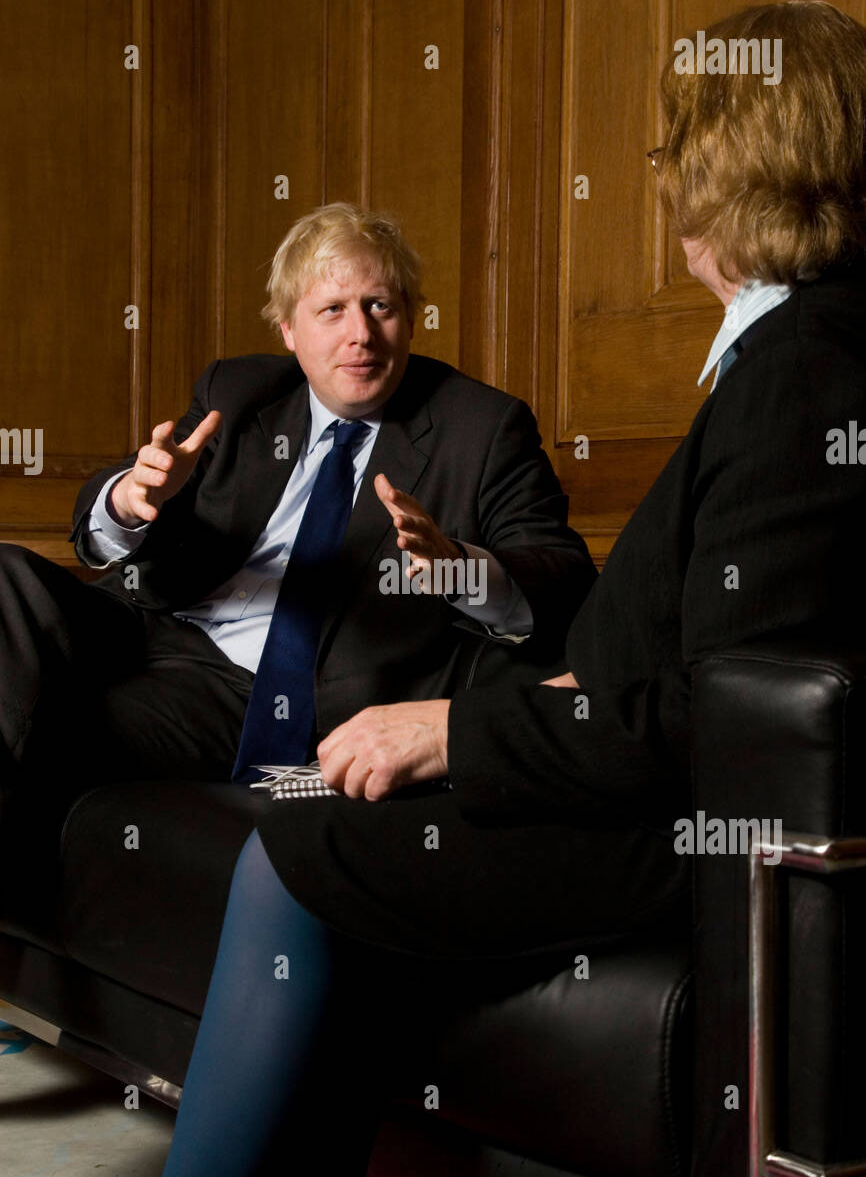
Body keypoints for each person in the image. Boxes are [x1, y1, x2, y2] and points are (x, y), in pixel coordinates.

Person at [143, 0, 866, 1177]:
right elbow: (700, 657)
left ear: (717, 173)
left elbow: (722, 718)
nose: (658, 180)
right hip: (613, 759)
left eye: (670, 151)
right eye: (329, 310)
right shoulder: (794, 353)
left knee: (297, 850)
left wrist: (449, 732)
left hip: (682, 828)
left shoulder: (797, 369)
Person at [0, 204, 593, 830]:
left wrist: (461, 572)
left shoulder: (482, 427)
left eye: (380, 306)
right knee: (6, 574)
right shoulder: (237, 390)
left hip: (255, 689)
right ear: (288, 329)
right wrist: (128, 501)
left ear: (411, 319)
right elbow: (125, 502)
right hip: (142, 621)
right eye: (332, 309)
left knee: (54, 732)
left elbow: (563, 581)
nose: (359, 334)